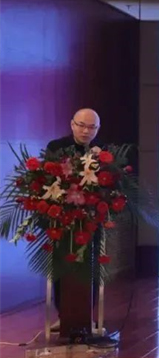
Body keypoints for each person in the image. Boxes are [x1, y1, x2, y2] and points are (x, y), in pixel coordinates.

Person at [45, 108, 103, 332]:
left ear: (98, 129)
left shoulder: (103, 152)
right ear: (72, 125)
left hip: (90, 219)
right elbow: (48, 178)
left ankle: (87, 316)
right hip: (63, 219)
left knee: (91, 266)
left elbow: (109, 183)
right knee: (62, 265)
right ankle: (64, 315)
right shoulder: (56, 147)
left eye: (92, 127)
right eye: (81, 125)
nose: (86, 131)